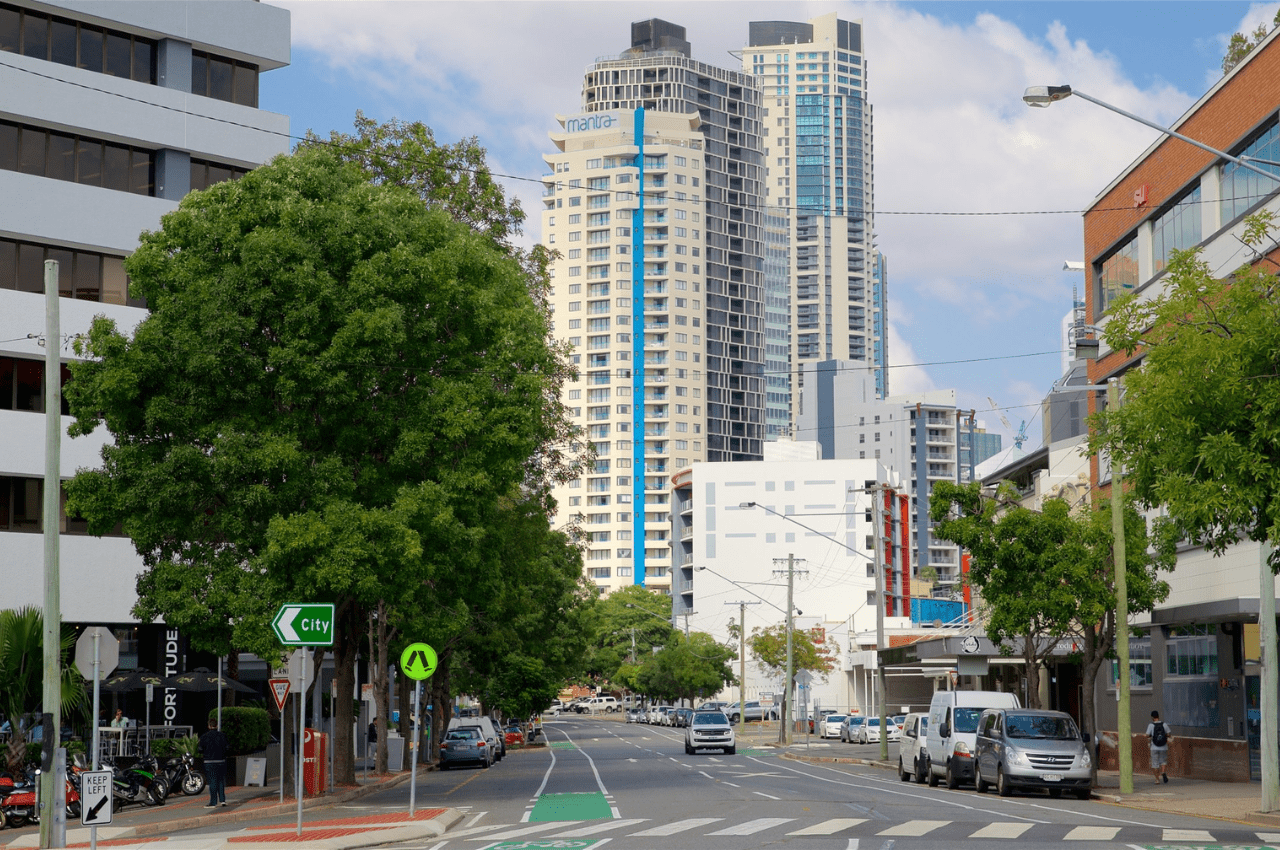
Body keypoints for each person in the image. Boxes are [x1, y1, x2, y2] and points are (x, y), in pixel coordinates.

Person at [199, 718, 230, 808]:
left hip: (209, 761)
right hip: (221, 760)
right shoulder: (222, 735)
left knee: (212, 781)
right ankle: (222, 800)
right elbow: (227, 747)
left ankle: (213, 802)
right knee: (220, 780)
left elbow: (200, 749)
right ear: (216, 725)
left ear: (209, 726)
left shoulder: (204, 736)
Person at [1146, 709, 1171, 784]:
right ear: (1158, 716)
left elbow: (1147, 735)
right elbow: (1169, 734)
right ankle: (1163, 772)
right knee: (1163, 761)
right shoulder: (1164, 724)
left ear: (1152, 717)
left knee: (1155, 764)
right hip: (1163, 747)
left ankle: (1157, 780)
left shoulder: (1151, 725)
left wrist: (1151, 736)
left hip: (1154, 747)